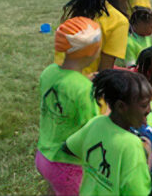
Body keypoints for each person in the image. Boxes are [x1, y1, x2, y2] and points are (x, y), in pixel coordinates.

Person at [35, 17, 103, 196]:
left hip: (43, 157)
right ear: (92, 51)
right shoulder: (84, 90)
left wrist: (82, 81)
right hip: (69, 166)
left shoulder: (48, 72)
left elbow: (64, 87)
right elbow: (93, 129)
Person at [59, 70, 152, 195]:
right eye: (144, 105)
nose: (150, 109)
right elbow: (138, 192)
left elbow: (68, 147)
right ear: (121, 107)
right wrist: (149, 159)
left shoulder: (97, 123)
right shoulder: (132, 145)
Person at [54, 0, 133, 77]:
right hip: (82, 89)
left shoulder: (80, 8)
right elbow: (104, 74)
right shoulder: (118, 21)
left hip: (57, 80)